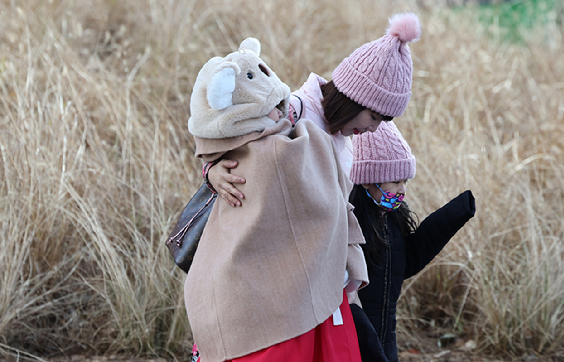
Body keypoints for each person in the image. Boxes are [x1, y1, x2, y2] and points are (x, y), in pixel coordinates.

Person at [184, 37, 368, 362]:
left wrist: (211, 168)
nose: (282, 110)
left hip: (233, 300)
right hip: (287, 309)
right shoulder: (287, 150)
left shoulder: (231, 156)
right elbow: (328, 206)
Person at [205, 12, 422, 207]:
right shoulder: (290, 112)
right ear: (352, 98)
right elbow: (225, 142)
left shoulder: (345, 143)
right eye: (373, 116)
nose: (374, 129)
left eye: (382, 121)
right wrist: (212, 172)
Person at [347, 121, 477, 362]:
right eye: (396, 182)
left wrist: (452, 216)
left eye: (405, 181)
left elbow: (403, 265)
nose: (403, 190)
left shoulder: (393, 218)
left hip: (387, 338)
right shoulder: (349, 223)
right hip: (357, 341)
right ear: (367, 181)